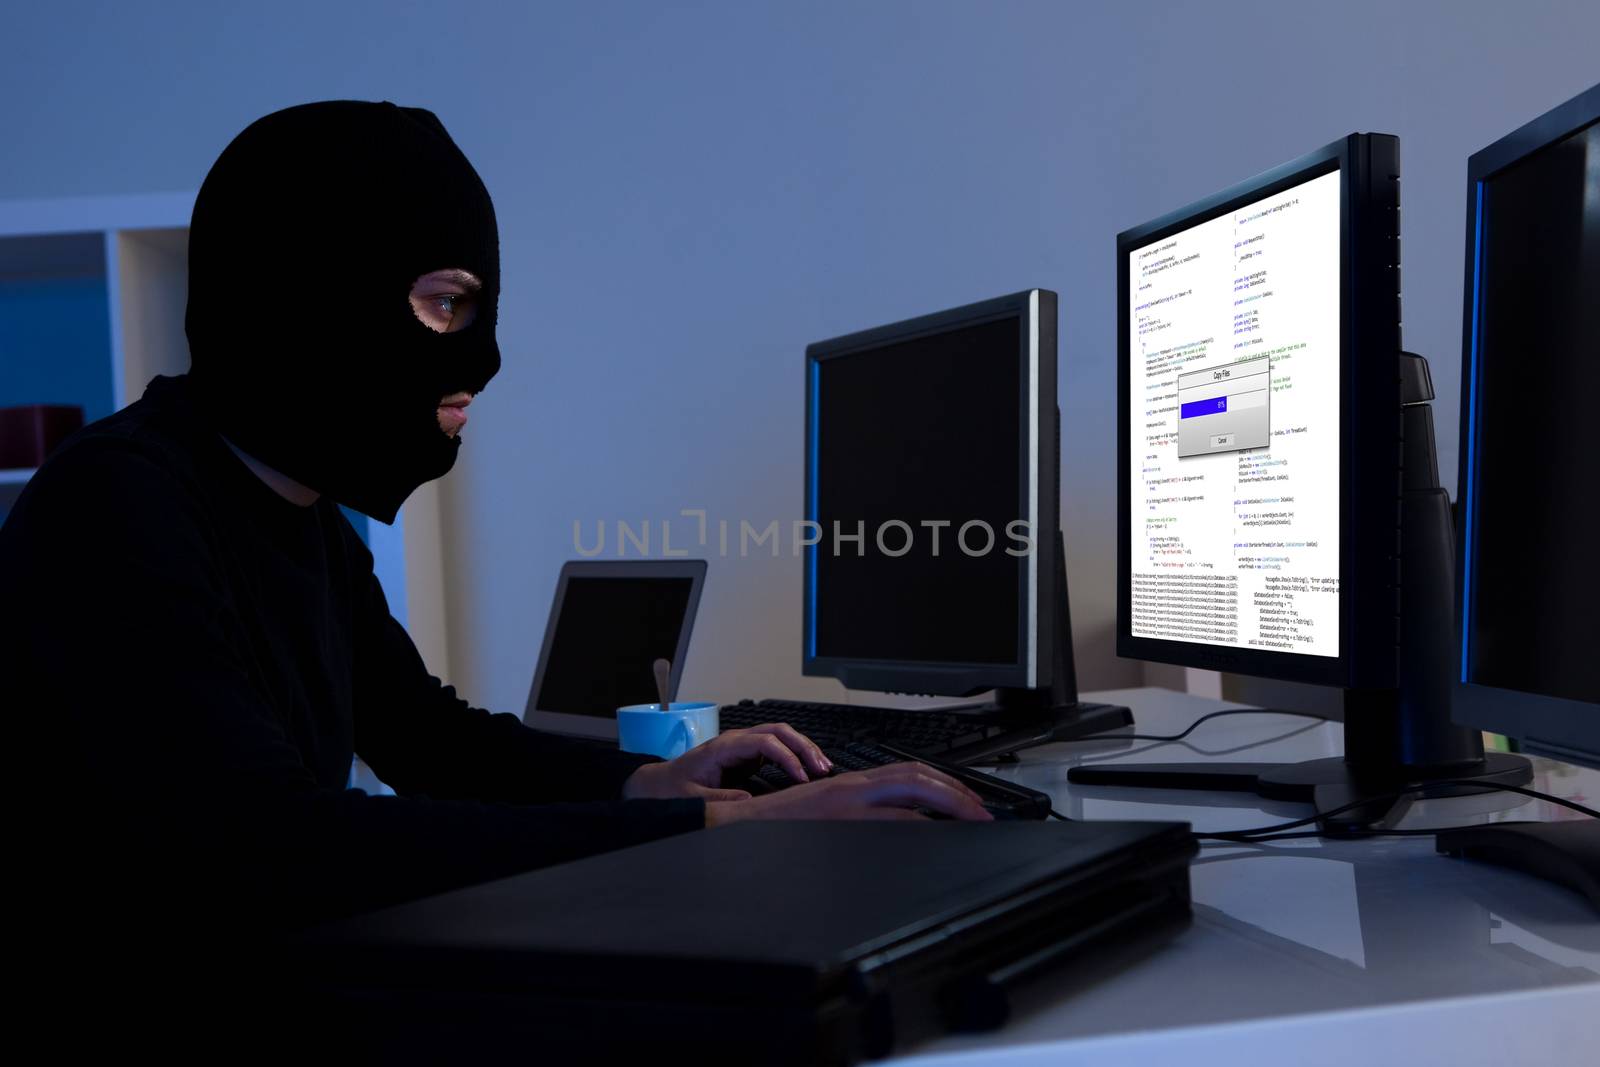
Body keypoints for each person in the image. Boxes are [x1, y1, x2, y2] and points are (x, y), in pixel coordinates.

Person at [0, 101, 988, 1038]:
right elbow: (273, 845)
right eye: (443, 304)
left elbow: (428, 737)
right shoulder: (117, 507)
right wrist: (722, 827)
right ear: (308, 298)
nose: (485, 358)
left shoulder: (291, 508)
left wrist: (651, 785)